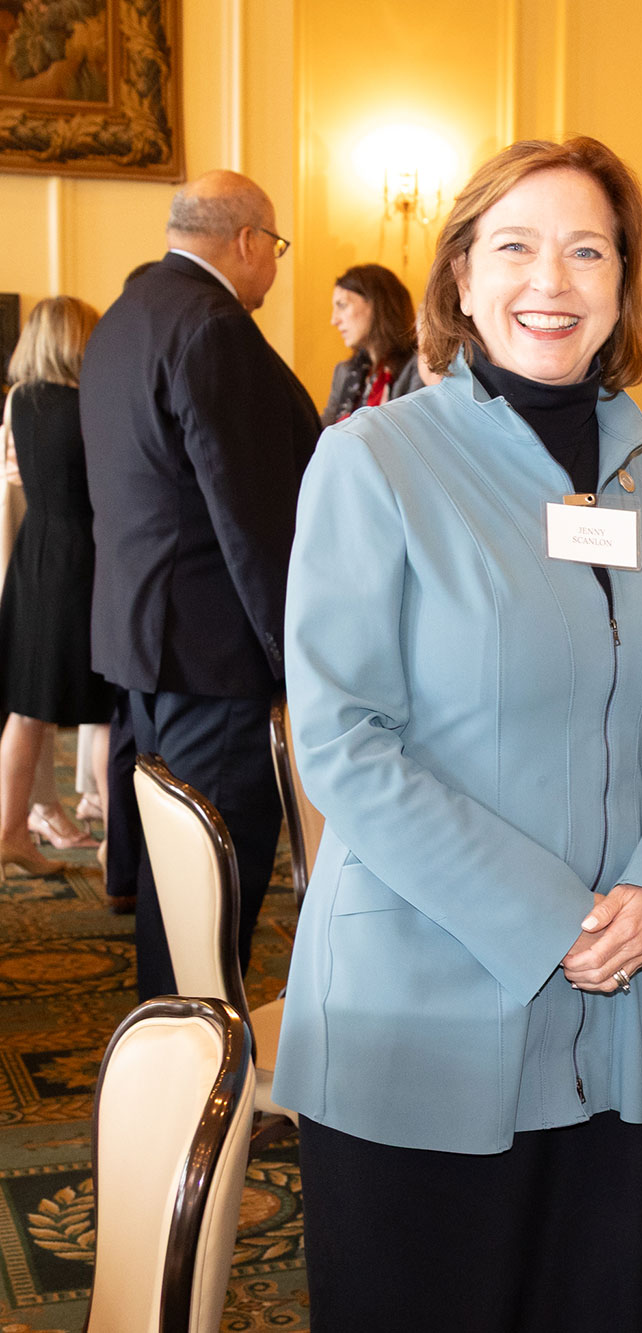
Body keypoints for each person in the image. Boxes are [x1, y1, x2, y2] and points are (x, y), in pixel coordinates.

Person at [276, 137, 642, 1332]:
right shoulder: (375, 461)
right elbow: (346, 739)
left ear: (622, 284)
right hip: (418, 1006)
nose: (550, 281)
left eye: (586, 250)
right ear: (460, 278)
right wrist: (552, 914)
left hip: (605, 1015)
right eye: (513, 248)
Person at [80, 170, 319, 993]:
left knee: (170, 866)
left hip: (140, 639)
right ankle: (198, 1063)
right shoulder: (214, 328)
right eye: (276, 248)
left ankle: (173, 1043)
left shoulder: (123, 317)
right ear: (249, 242)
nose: (274, 268)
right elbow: (250, 518)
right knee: (214, 879)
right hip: (215, 657)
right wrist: (299, 661)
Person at [0, 295, 114, 875]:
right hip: (82, 559)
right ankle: (117, 846)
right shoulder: (87, 406)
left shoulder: (21, 401)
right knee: (105, 709)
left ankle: (11, 830)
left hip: (33, 555)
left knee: (25, 711)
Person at [321, 263, 421, 425]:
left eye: (342, 306)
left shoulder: (418, 366)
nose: (334, 320)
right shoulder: (344, 372)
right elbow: (323, 433)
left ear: (377, 304)